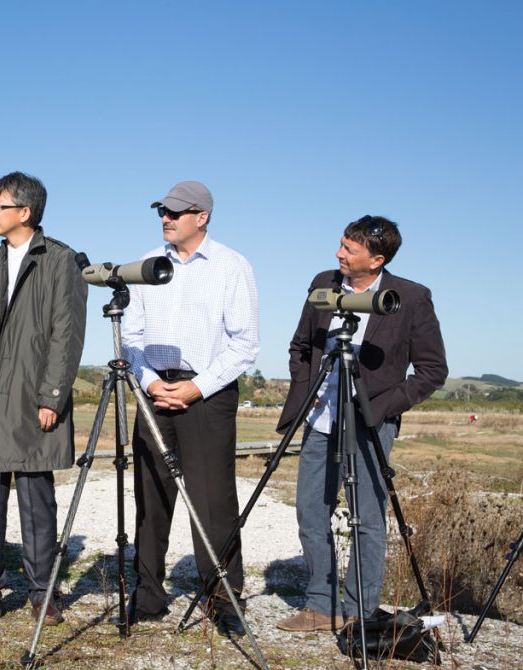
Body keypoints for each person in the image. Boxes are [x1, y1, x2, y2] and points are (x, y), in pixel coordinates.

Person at [275, 215, 447, 632]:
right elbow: (301, 347)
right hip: (321, 419)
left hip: (371, 423)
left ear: (377, 259)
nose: (339, 254)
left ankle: (359, 611)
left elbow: (432, 370)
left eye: (350, 250)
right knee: (311, 512)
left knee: (366, 519)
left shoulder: (410, 297)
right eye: (341, 245)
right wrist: (306, 388)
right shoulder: (324, 282)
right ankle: (321, 604)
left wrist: (380, 407)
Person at [121, 180, 259, 635]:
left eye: (177, 212)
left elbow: (245, 344)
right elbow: (131, 337)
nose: (167, 217)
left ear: (202, 217)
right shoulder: (145, 265)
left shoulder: (232, 267)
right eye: (163, 210)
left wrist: (196, 388)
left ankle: (223, 600)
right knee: (151, 497)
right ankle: (148, 596)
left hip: (209, 395)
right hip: (155, 390)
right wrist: (151, 381)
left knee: (213, 499)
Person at [0, 172, 87, 626]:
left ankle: (42, 595)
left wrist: (52, 396)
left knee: (35, 503)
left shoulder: (61, 260)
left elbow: (66, 336)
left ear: (24, 212)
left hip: (33, 401)